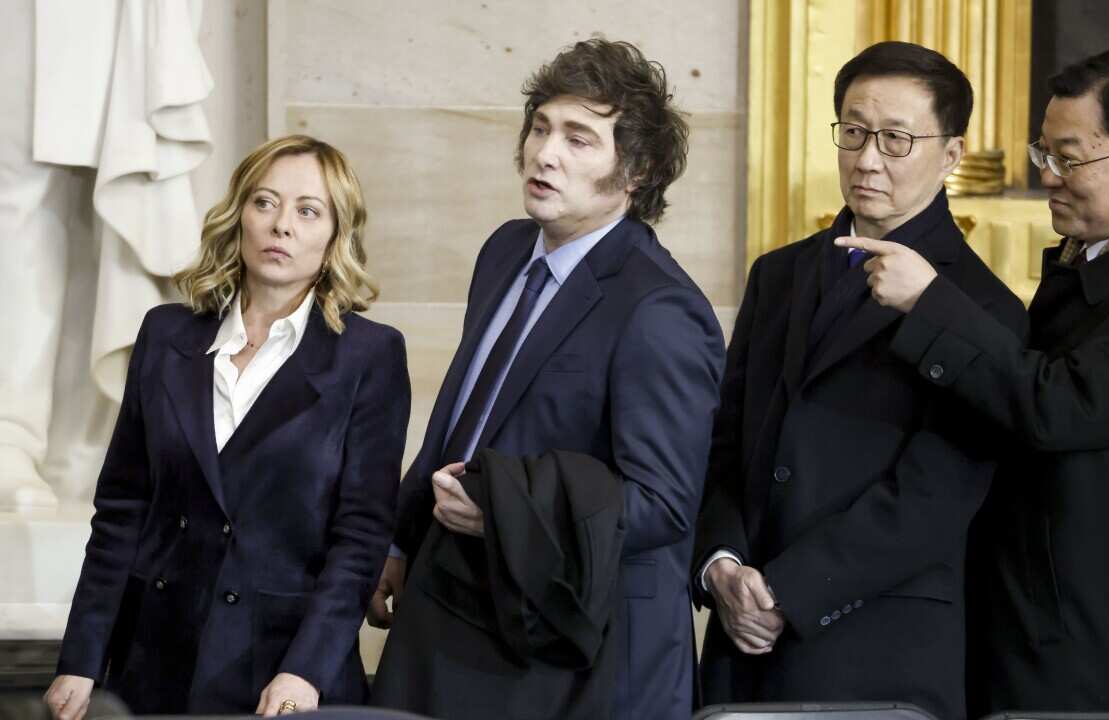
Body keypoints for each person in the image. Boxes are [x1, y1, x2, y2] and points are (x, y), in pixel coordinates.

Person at [847, 50, 1109, 715]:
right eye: (1043, 154)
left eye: (1069, 158)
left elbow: (1056, 406)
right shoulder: (1099, 260)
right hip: (1036, 621)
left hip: (1101, 650)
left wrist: (932, 303)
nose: (1049, 177)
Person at [367, 38, 724, 720]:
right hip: (454, 611)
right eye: (540, 127)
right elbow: (462, 418)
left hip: (567, 650)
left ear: (636, 170)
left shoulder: (660, 310)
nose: (544, 153)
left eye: (580, 139)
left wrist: (502, 515)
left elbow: (664, 506)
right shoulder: (504, 249)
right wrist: (399, 539)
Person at [692, 41, 1027, 720]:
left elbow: (930, 499)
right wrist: (721, 564)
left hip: (878, 649)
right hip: (741, 641)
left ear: (952, 154)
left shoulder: (985, 310)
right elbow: (725, 442)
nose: (867, 159)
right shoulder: (778, 274)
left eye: (897, 139)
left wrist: (786, 592)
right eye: (853, 131)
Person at [44, 135, 411, 718]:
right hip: (153, 663)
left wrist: (305, 669)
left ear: (335, 235)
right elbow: (121, 511)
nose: (281, 225)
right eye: (264, 203)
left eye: (307, 210)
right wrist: (81, 658)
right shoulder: (166, 335)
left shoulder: (369, 356)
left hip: (281, 674)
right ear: (238, 215)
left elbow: (361, 538)